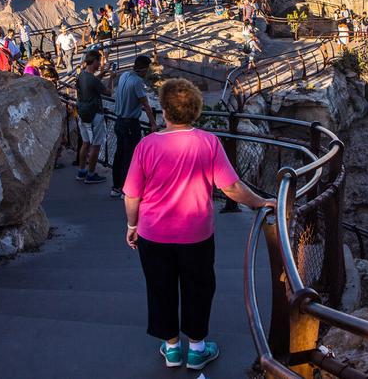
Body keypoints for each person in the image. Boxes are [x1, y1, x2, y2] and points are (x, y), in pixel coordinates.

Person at [123, 78, 275, 371]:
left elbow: (131, 194)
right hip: (195, 234)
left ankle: (171, 349)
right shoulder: (208, 142)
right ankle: (196, 349)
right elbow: (230, 187)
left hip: (153, 233)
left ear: (165, 110)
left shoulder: (146, 145)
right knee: (198, 287)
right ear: (195, 110)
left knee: (160, 288)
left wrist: (132, 225)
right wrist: (260, 202)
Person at [111, 55, 157, 198]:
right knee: (129, 157)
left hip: (119, 121)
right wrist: (153, 123)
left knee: (119, 154)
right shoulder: (137, 82)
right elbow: (146, 104)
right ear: (144, 68)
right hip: (130, 123)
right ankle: (126, 189)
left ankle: (116, 186)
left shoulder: (125, 75)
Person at [75, 49, 115, 184]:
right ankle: (91, 174)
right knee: (96, 145)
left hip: (82, 113)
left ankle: (82, 172)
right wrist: (111, 78)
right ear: (95, 61)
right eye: (99, 61)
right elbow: (108, 93)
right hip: (95, 114)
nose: (100, 65)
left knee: (85, 143)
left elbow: (92, 83)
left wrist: (103, 73)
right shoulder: (91, 78)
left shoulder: (82, 75)